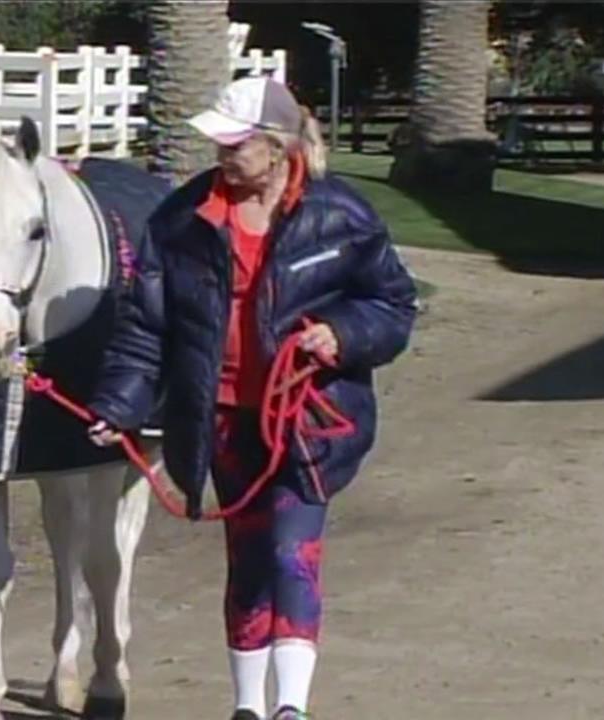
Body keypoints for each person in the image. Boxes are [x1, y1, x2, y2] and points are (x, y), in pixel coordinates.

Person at [86, 76, 417, 720]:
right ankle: (247, 707)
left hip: (309, 420)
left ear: (276, 146)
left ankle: (290, 706)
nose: (223, 156)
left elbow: (392, 303)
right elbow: (147, 326)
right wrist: (119, 405)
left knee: (291, 550)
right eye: (220, 144)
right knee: (248, 556)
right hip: (225, 419)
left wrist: (342, 333)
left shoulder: (340, 214)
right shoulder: (182, 220)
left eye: (235, 145)